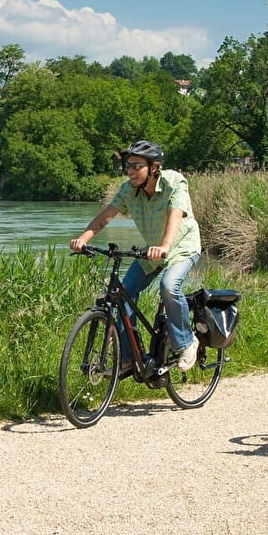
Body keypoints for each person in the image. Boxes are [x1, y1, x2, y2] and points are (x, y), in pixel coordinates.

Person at [69, 140, 203, 373]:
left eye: (136, 165)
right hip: (152, 251)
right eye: (127, 165)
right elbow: (105, 217)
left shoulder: (174, 182)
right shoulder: (128, 190)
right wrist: (84, 239)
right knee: (123, 293)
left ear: (154, 167)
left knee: (169, 286)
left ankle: (186, 342)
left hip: (181, 247)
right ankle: (128, 358)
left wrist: (164, 245)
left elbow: (176, 214)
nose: (130, 170)